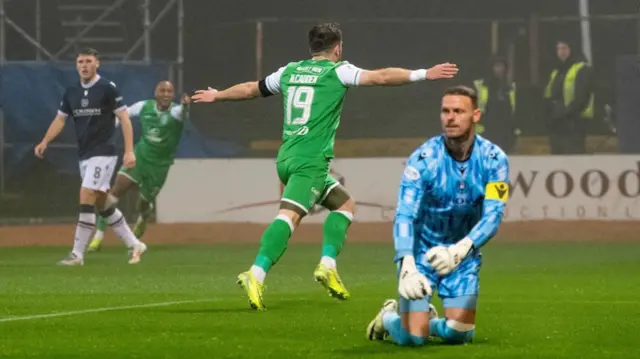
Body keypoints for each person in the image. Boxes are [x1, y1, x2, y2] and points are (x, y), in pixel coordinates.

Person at [192, 21, 458, 310]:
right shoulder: (338, 70)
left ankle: (327, 265)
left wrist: (217, 94)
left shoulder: (289, 71)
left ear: (311, 47)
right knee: (289, 217)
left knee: (345, 205)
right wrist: (423, 74)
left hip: (287, 157)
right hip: (311, 161)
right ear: (338, 48)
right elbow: (380, 77)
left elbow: (249, 90)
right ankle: (255, 273)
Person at [366, 85, 509, 346]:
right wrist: (407, 263)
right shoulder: (423, 159)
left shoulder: (494, 159)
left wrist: (459, 251)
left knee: (460, 334)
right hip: (421, 253)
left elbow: (493, 215)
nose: (450, 117)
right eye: (445, 111)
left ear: (475, 115)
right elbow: (405, 215)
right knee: (413, 339)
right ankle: (388, 317)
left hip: (462, 256)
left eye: (458, 111)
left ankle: (426, 321)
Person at [34, 47, 147, 265]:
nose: (84, 65)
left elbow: (124, 119)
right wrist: (45, 141)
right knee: (103, 205)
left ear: (97, 64)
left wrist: (129, 150)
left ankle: (77, 254)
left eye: (88, 61)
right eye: (80, 62)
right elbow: (60, 119)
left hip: (103, 153)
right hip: (84, 155)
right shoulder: (72, 92)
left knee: (86, 196)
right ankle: (134, 244)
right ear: (76, 65)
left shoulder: (107, 88)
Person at [88, 81, 191, 251]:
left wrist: (187, 105)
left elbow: (183, 112)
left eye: (169, 91)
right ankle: (97, 237)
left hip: (159, 166)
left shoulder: (175, 112)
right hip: (139, 157)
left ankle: (143, 217)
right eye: (162, 90)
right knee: (114, 193)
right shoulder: (144, 106)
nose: (166, 94)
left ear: (173, 95)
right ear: (155, 93)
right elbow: (123, 115)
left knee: (142, 204)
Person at [543, 40, 594, 154]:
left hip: (575, 120)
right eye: (559, 49)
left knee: (573, 152)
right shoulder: (557, 70)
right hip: (557, 121)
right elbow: (549, 94)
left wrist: (567, 113)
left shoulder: (582, 68)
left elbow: (582, 95)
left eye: (564, 48)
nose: (561, 52)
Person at [472, 57, 519, 153]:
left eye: (502, 67)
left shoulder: (510, 86)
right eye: (497, 66)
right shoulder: (480, 85)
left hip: (506, 131)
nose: (500, 70)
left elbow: (513, 109)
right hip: (486, 129)